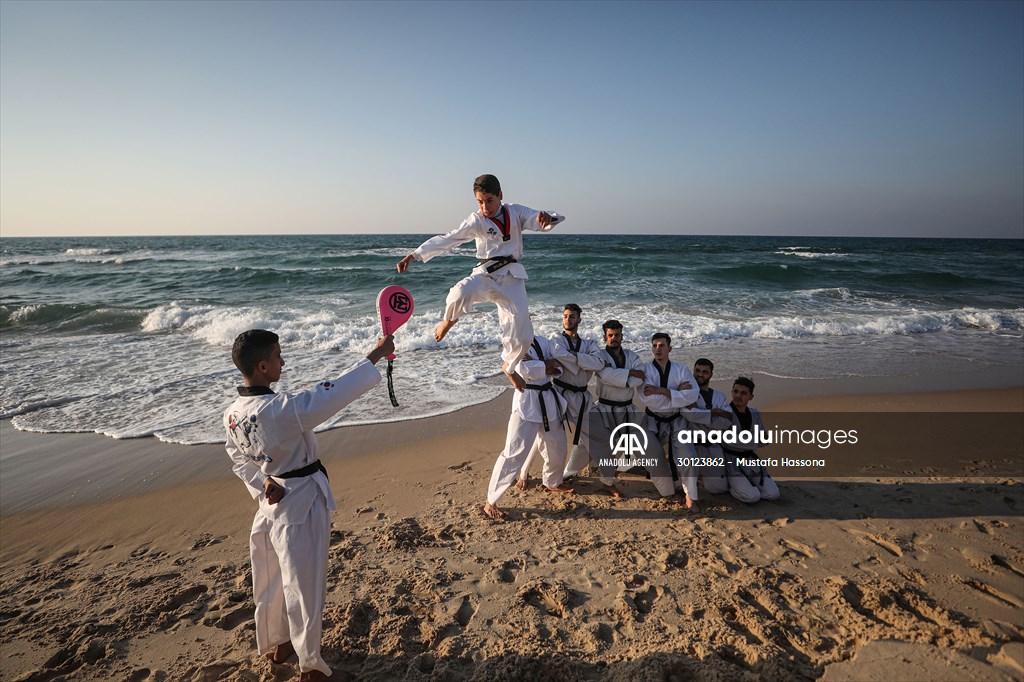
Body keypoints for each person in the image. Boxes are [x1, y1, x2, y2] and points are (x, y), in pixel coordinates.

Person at [224, 329, 394, 682]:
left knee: (272, 579)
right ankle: (312, 668)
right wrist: (374, 355)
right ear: (262, 366)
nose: (282, 362)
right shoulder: (278, 410)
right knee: (305, 587)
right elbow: (331, 394)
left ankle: (280, 642)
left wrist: (261, 483)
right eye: (277, 356)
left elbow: (238, 459)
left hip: (271, 504)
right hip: (300, 500)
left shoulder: (233, 413)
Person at [395, 174, 564, 389]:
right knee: (459, 293)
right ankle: (448, 320)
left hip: (512, 277)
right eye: (480, 202)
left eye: (489, 200)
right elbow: (449, 239)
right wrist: (414, 255)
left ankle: (509, 367)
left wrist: (546, 217)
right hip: (486, 275)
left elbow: (538, 218)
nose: (485, 207)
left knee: (523, 337)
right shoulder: (477, 220)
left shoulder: (515, 212)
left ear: (500, 195)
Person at [484, 334, 576, 520]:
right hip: (526, 400)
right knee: (514, 451)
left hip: (547, 399)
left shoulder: (544, 341)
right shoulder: (513, 344)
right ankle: (490, 502)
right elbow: (522, 369)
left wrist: (541, 364)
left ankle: (552, 481)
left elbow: (559, 366)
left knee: (557, 445)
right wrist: (545, 364)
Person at [584, 320, 678, 502]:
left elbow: (638, 379)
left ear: (622, 336)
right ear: (605, 337)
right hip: (604, 409)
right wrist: (628, 374)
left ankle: (667, 492)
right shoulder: (599, 356)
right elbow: (605, 375)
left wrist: (618, 375)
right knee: (594, 448)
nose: (614, 338)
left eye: (617, 335)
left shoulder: (632, 356)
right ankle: (571, 478)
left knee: (653, 449)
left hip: (629, 410)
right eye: (610, 335)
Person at [516, 303, 606, 489]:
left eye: (572, 316)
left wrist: (572, 357)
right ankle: (524, 472)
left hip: (582, 397)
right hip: (558, 393)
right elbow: (557, 356)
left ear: (579, 319)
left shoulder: (589, 343)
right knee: (542, 435)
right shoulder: (555, 339)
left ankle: (584, 474)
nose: (568, 319)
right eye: (565, 316)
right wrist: (581, 361)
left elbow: (598, 364)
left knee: (599, 433)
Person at [635, 333, 702, 511]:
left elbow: (692, 395)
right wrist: (675, 392)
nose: (658, 349)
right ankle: (667, 487)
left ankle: (690, 496)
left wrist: (661, 390)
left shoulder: (681, 369)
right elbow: (647, 398)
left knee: (690, 457)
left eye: (662, 345)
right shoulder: (646, 370)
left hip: (677, 421)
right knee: (654, 462)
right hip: (651, 420)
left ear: (669, 348)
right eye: (655, 345)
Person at [721, 376, 780, 503]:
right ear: (731, 392)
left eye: (743, 393)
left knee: (773, 494)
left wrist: (744, 441)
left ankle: (746, 483)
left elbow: (764, 440)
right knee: (753, 497)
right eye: (735, 391)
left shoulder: (755, 413)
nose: (738, 396)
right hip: (731, 462)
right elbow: (727, 441)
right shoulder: (725, 412)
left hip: (751, 461)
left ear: (751, 397)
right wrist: (753, 442)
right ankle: (731, 485)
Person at [684, 358, 737, 497]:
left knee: (717, 488)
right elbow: (690, 415)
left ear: (711, 375)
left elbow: (727, 421)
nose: (700, 374)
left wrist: (701, 415)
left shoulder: (719, 396)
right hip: (691, 446)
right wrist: (716, 412)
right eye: (697, 371)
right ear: (693, 371)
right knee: (678, 486)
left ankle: (705, 476)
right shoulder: (686, 393)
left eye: (705, 372)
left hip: (712, 447)